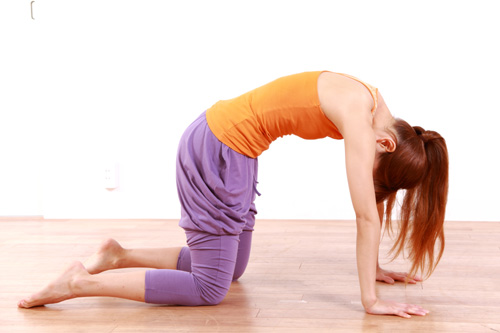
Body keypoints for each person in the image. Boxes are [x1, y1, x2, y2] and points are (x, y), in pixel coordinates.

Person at [17, 71, 448, 319]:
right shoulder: (360, 115)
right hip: (220, 148)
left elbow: (371, 194)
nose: (368, 178)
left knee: (232, 268)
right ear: (386, 146)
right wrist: (370, 302)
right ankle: (77, 282)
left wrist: (374, 267)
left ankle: (118, 254)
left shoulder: (375, 107)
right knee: (210, 288)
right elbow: (365, 215)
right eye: (379, 174)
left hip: (232, 147)